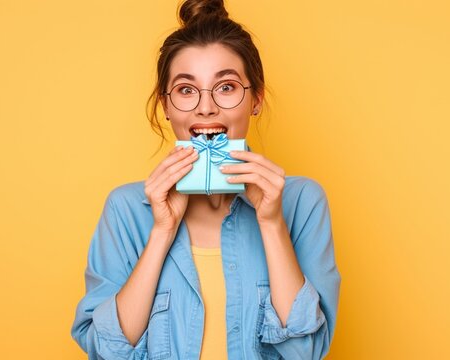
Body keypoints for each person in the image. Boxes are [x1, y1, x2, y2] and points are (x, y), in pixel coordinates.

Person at [71, 0, 341, 358]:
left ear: (256, 99)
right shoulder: (126, 209)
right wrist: (162, 231)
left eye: (226, 87)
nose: (206, 106)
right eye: (186, 90)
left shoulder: (302, 202)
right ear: (166, 106)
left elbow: (306, 352)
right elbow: (106, 351)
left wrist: (272, 222)